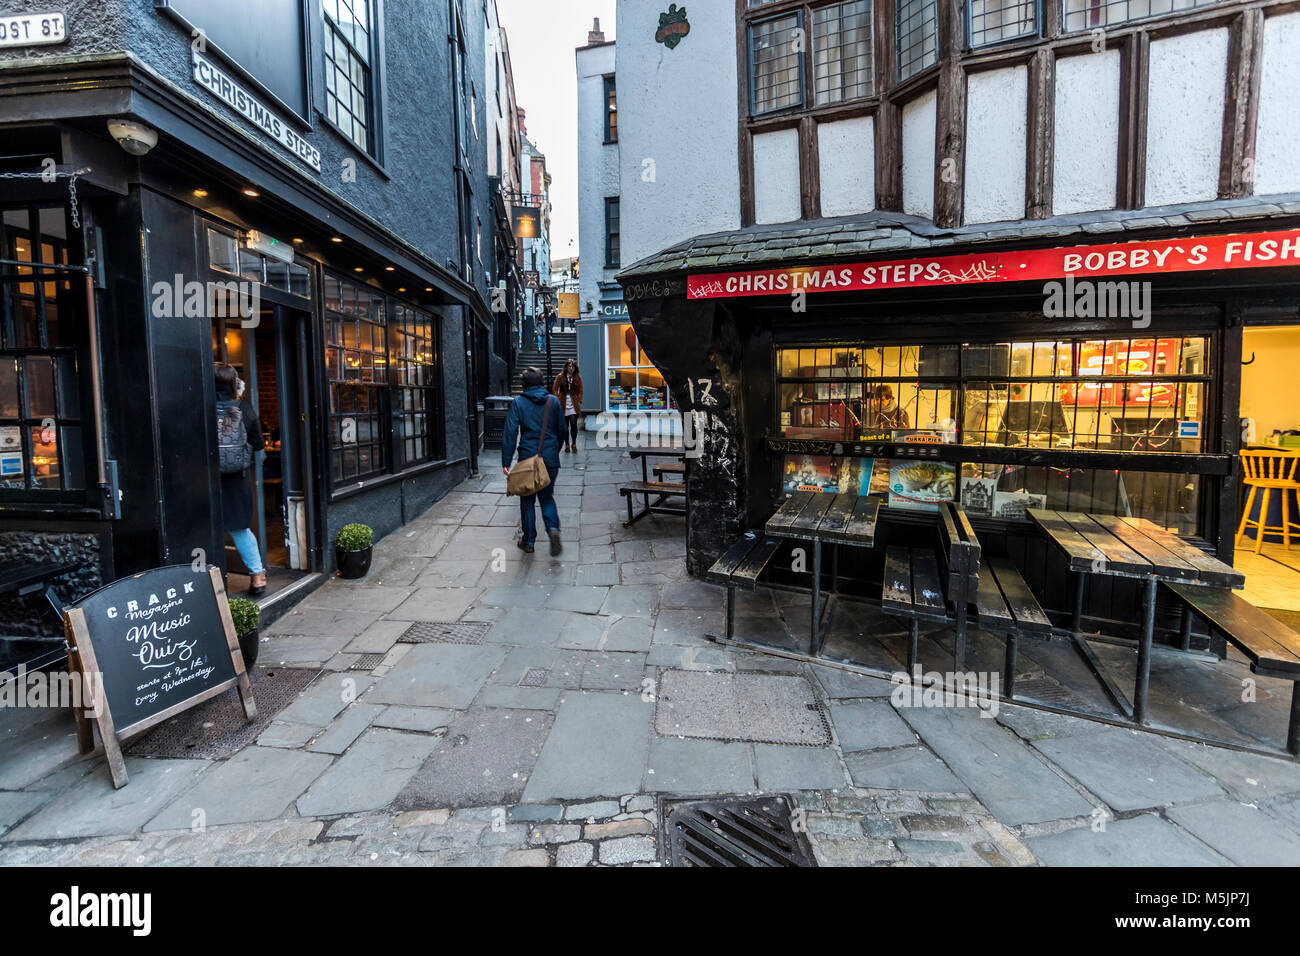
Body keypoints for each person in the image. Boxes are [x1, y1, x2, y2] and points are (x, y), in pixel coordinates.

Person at [214, 363, 267, 595]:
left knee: (204, 529)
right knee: (240, 529)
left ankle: (211, 582)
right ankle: (257, 576)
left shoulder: (199, 409)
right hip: (236, 479)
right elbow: (258, 443)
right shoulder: (244, 409)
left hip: (204, 479)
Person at [502, 367, 563, 555]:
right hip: (550, 458)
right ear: (542, 382)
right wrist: (554, 450)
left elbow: (510, 433)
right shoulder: (553, 402)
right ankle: (553, 529)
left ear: (524, 385)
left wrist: (506, 461)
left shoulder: (518, 403)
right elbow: (563, 430)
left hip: (528, 457)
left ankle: (528, 541)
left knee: (527, 500)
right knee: (547, 496)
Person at [553, 360, 583, 453]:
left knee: (573, 424)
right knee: (565, 426)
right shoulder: (560, 376)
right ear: (566, 367)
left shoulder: (578, 377)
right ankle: (566, 444)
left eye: (573, 366)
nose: (571, 368)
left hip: (573, 403)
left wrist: (578, 400)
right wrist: (557, 398)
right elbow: (554, 388)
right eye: (569, 366)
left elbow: (580, 390)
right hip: (563, 402)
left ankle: (574, 443)